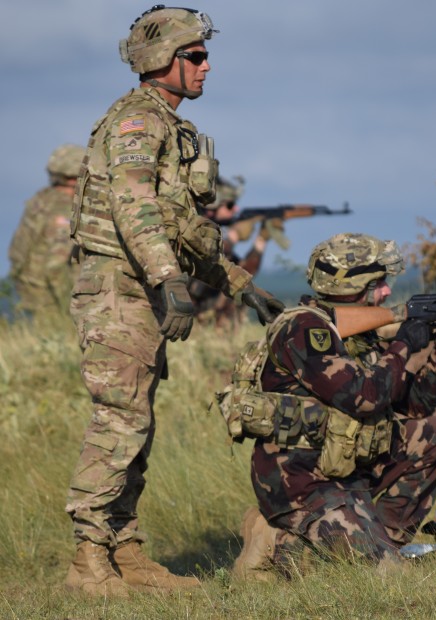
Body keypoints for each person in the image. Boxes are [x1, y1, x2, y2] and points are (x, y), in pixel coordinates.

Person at [65, 5, 283, 596]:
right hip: (118, 286)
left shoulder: (172, 128)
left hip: (139, 288)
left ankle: (125, 554)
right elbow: (133, 206)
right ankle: (88, 561)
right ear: (161, 61)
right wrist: (168, 280)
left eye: (205, 55)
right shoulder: (139, 122)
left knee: (138, 418)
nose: (207, 66)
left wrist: (240, 285)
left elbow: (180, 224)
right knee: (121, 416)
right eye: (195, 56)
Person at [229, 233, 436, 580]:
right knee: (380, 577)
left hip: (350, 472)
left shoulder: (359, 334)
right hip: (302, 481)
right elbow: (364, 395)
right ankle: (273, 539)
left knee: (434, 435)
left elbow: (416, 405)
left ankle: (384, 543)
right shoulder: (304, 330)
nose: (386, 291)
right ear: (351, 285)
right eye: (378, 282)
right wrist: (402, 345)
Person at [189, 175, 286, 328]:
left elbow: (243, 273)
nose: (236, 209)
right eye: (229, 205)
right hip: (194, 318)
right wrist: (233, 237)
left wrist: (261, 240)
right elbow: (208, 256)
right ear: (210, 209)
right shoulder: (192, 229)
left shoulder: (219, 235)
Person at [8, 144, 85, 315]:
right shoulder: (65, 207)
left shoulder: (41, 200)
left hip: (30, 290)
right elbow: (55, 263)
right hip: (50, 298)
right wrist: (70, 306)